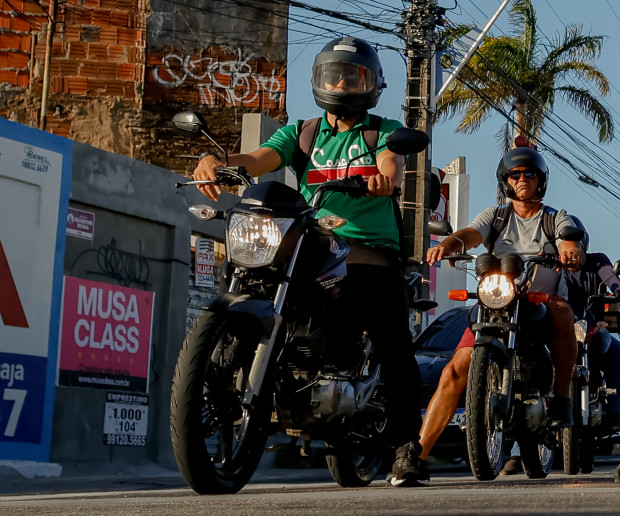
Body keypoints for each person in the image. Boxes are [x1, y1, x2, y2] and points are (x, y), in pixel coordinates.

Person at [192, 37, 424, 486]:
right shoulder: (302, 132)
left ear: (371, 85)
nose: (341, 83)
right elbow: (260, 159)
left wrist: (383, 180)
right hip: (310, 246)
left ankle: (405, 447)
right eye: (332, 75)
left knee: (394, 342)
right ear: (318, 81)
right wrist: (216, 163)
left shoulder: (381, 129)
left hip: (367, 253)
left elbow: (390, 164)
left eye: (352, 76)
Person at [412, 146, 584, 481]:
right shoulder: (496, 216)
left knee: (564, 312)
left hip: (539, 298)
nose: (522, 180)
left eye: (529, 174)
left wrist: (570, 251)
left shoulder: (554, 217)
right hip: (497, 300)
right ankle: (418, 454)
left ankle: (561, 398)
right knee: (453, 371)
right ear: (505, 181)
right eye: (514, 174)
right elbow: (471, 234)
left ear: (540, 180)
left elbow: (568, 240)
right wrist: (449, 245)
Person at [565, 243, 620, 432]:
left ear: (583, 246)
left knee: (617, 349)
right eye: (566, 248)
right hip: (558, 331)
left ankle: (613, 411)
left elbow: (609, 274)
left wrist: (618, 289)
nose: (571, 255)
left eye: (575, 248)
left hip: (590, 328)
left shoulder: (597, 261)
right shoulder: (553, 265)